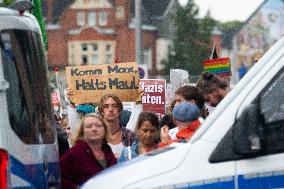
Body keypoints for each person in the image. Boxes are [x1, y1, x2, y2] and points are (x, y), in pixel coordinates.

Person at [60, 113, 117, 189]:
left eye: (98, 125)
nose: (94, 129)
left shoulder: (107, 149)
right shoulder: (75, 152)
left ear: (104, 129)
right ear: (82, 131)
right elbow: (57, 176)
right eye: (89, 126)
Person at [98, 94, 136, 159]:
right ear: (102, 111)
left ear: (119, 110)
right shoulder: (94, 136)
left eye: (114, 106)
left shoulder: (130, 135)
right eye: (106, 106)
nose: (110, 110)